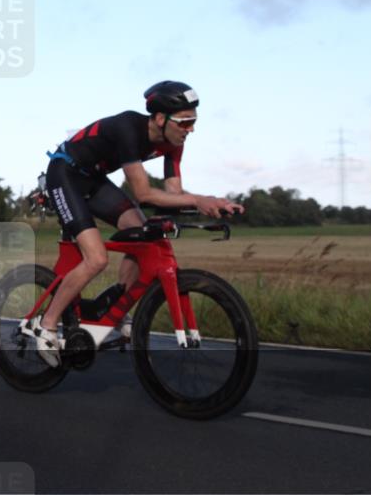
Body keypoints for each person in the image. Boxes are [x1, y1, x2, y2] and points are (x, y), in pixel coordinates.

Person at [28, 81, 244, 367]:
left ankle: (116, 306)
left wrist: (214, 203)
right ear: (159, 118)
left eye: (194, 121)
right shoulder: (128, 128)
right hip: (65, 174)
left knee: (142, 232)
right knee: (96, 259)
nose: (190, 129)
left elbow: (174, 195)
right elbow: (143, 194)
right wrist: (199, 199)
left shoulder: (174, 144)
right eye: (185, 121)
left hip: (94, 180)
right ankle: (47, 324)